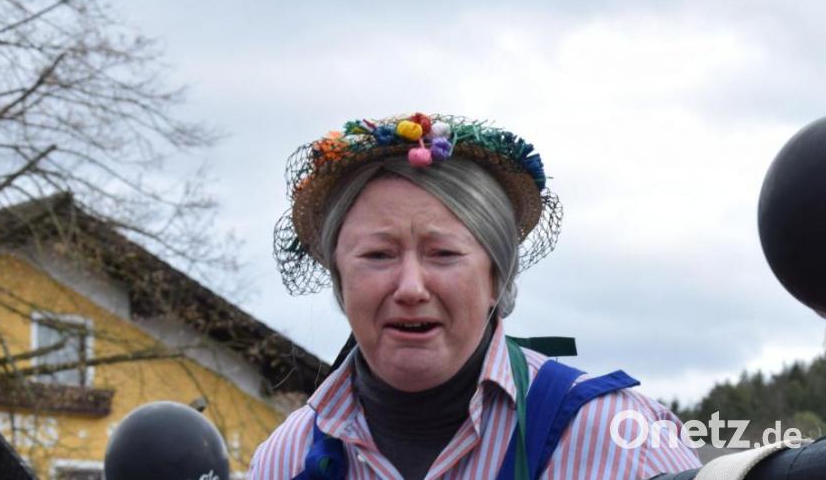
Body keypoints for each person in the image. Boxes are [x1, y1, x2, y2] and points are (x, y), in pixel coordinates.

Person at [251, 113, 701, 479]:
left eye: (443, 254)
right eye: (378, 255)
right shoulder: (283, 463)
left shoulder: (623, 444)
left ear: (495, 280)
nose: (410, 287)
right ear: (340, 279)